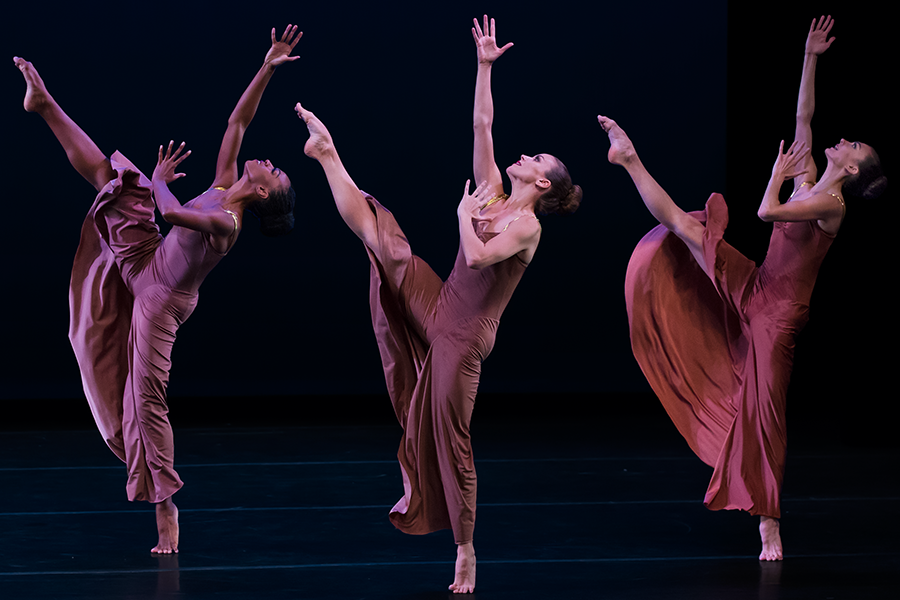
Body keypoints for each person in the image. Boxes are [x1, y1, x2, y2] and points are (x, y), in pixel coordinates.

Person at [294, 14, 581, 593]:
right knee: (384, 239)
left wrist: (460, 216)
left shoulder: (527, 226)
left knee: (453, 439)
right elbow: (482, 124)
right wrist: (483, 66)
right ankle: (328, 154)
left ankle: (466, 550)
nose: (524, 157)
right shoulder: (493, 191)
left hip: (464, 335)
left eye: (535, 160)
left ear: (544, 184)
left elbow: (477, 258)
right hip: (441, 300)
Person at [13, 24, 302, 554]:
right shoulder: (223, 182)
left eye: (275, 172)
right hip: (147, 258)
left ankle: (165, 506)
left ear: (263, 192)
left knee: (146, 400)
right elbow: (238, 121)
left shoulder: (228, 224)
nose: (270, 162)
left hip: (160, 301)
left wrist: (161, 178)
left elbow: (170, 212)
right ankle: (44, 103)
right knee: (112, 179)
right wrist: (267, 67)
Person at [606, 15, 886, 561]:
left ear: (853, 169)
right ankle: (630, 158)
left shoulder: (831, 204)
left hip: (778, 318)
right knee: (685, 227)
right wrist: (810, 57)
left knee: (766, 416)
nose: (843, 140)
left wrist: (777, 177)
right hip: (759, 285)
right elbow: (803, 117)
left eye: (852, 144)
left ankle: (769, 522)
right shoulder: (813, 179)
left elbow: (765, 212)